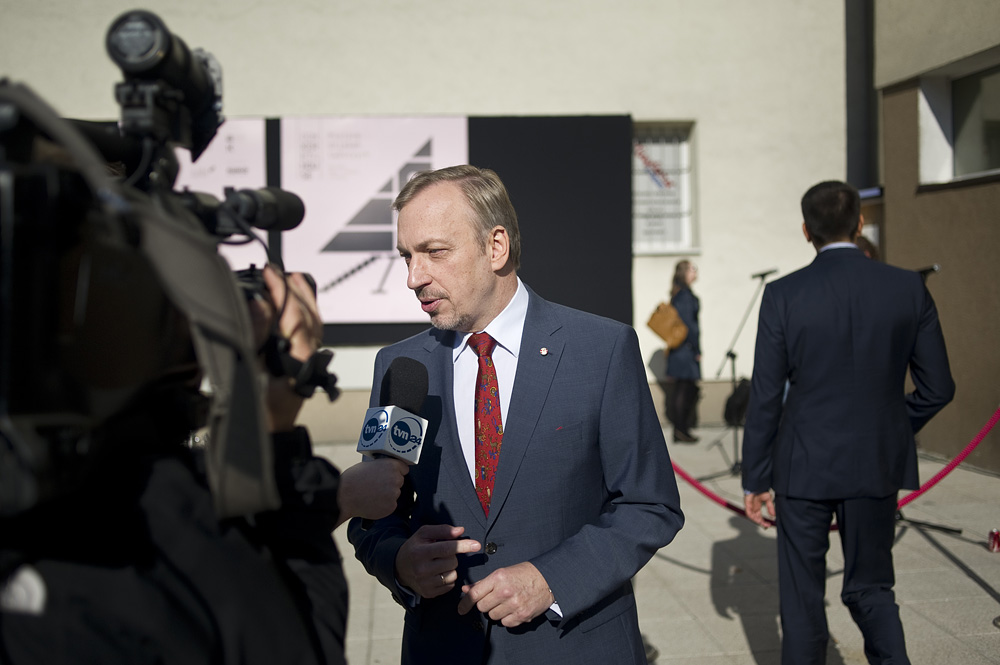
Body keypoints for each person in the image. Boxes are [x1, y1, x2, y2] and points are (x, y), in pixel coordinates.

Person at [348, 165, 684, 665]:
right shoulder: (402, 368)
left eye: (434, 252)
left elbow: (650, 505)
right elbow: (373, 514)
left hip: (577, 646)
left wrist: (552, 579)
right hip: (445, 647)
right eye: (406, 256)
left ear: (496, 247)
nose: (413, 277)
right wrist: (398, 560)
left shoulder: (601, 350)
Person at [741, 180, 955, 664]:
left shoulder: (783, 294)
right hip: (876, 461)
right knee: (873, 587)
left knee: (800, 604)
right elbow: (939, 387)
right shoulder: (907, 287)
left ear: (805, 231)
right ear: (860, 224)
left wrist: (754, 477)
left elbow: (767, 396)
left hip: (802, 464)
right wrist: (894, 424)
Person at [664, 259, 701, 443]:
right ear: (684, 273)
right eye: (692, 269)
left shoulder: (678, 294)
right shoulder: (685, 296)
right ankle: (681, 430)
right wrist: (697, 348)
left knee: (682, 389)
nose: (695, 272)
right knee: (684, 390)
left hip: (678, 350)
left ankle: (681, 430)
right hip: (685, 351)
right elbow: (689, 326)